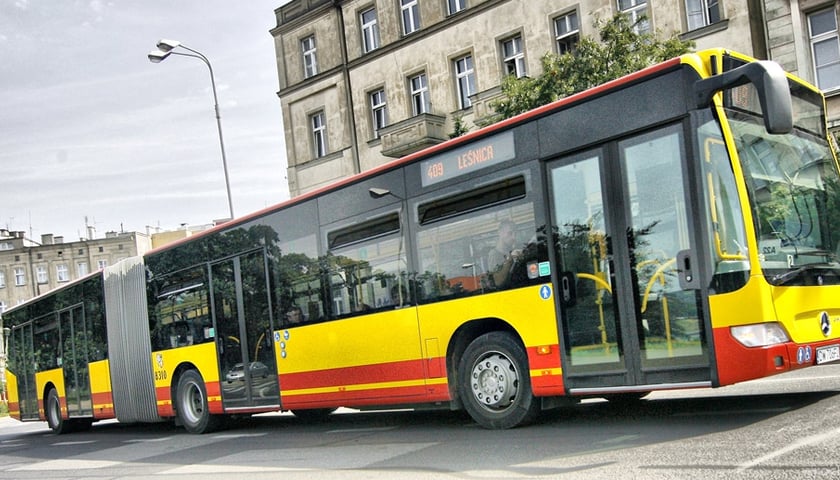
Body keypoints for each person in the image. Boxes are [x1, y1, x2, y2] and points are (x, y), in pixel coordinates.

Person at [488, 220, 521, 288]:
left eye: (515, 234)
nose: (513, 237)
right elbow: (498, 281)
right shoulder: (494, 254)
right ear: (500, 233)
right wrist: (510, 259)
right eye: (510, 233)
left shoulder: (512, 251)